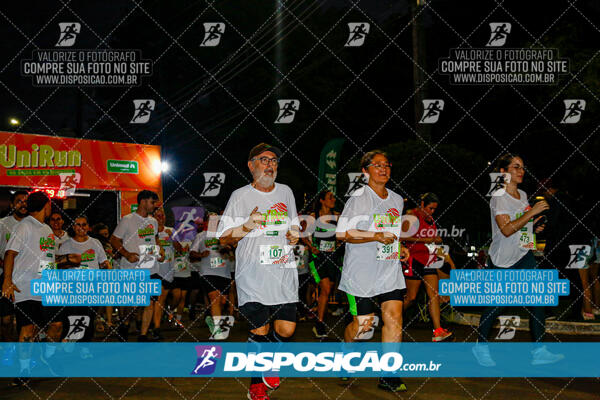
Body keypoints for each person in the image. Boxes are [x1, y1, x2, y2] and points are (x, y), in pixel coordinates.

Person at [217, 143, 300, 400]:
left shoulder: (286, 192)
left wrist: (294, 234)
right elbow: (223, 238)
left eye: (274, 160)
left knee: (287, 330)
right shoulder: (240, 196)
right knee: (259, 330)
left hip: (283, 271)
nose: (270, 165)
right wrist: (247, 225)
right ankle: (256, 384)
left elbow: (294, 224)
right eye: (264, 160)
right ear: (251, 165)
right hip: (252, 275)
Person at [472, 154, 562, 367]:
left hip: (523, 255)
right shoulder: (499, 197)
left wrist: (533, 229)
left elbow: (521, 226)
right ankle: (480, 346)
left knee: (539, 300)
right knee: (497, 305)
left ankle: (539, 351)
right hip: (503, 260)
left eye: (522, 167)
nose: (521, 171)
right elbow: (506, 230)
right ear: (503, 172)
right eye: (516, 167)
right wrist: (532, 213)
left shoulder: (522, 194)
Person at [335, 150, 410, 392]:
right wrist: (374, 236)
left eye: (386, 164)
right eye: (377, 165)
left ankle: (389, 374)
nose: (383, 169)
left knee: (394, 318)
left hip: (388, 268)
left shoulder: (397, 200)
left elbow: (392, 233)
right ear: (365, 171)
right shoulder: (359, 198)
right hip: (361, 272)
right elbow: (342, 233)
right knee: (364, 326)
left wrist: (400, 247)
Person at [1, 192, 80, 385]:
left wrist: (67, 259)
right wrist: (7, 281)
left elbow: (47, 259)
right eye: (50, 205)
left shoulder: (46, 230)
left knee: (57, 325)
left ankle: (48, 355)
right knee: (28, 329)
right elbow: (10, 254)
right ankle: (24, 369)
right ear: (46, 206)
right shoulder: (24, 226)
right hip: (26, 287)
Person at [110, 190, 164, 342]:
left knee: (150, 301)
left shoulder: (153, 221)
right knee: (132, 304)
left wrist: (160, 251)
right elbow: (114, 240)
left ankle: (143, 335)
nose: (154, 206)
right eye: (152, 202)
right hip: (132, 268)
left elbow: (155, 239)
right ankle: (125, 324)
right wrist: (127, 254)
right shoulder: (127, 220)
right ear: (143, 202)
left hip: (151, 267)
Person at [402, 193, 453, 342]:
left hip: (428, 259)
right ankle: (391, 314)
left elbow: (433, 239)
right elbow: (401, 237)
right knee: (411, 297)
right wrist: (424, 239)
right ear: (422, 204)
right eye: (430, 208)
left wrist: (437, 240)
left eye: (434, 209)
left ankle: (438, 331)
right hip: (413, 259)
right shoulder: (412, 216)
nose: (432, 212)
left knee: (434, 295)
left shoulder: (430, 219)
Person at [57, 215, 109, 356]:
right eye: (78, 224)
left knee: (89, 316)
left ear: (88, 226)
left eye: (84, 224)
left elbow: (104, 262)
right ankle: (71, 340)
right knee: (74, 314)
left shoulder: (95, 243)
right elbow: (59, 265)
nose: (81, 227)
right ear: (73, 227)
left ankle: (84, 347)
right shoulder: (66, 245)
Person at [190, 213, 232, 339]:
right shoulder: (201, 236)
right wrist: (200, 255)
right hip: (208, 272)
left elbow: (232, 248)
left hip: (224, 272)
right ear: (207, 222)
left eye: (216, 220)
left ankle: (211, 318)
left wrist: (228, 249)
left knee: (222, 301)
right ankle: (218, 331)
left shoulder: (223, 235)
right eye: (211, 220)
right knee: (215, 298)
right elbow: (192, 253)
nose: (214, 222)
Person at [306, 190, 340, 339]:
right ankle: (319, 323)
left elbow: (342, 235)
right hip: (317, 258)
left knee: (327, 290)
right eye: (330, 197)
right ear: (322, 200)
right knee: (325, 288)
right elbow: (303, 235)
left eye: (333, 197)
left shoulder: (337, 217)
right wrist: (310, 246)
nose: (333, 199)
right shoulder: (314, 217)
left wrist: (339, 243)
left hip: (332, 258)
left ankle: (319, 316)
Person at [0, 190, 28, 364]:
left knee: (27, 319)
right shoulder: (3, 224)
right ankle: (9, 349)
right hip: (6, 277)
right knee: (6, 319)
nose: (23, 204)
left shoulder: (34, 225)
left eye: (25, 201)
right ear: (12, 205)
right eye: (19, 201)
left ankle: (24, 354)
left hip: (27, 279)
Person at [153, 207, 178, 338]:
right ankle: (156, 328)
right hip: (155, 270)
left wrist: (173, 238)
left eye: (162, 215)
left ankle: (155, 323)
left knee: (162, 300)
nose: (161, 218)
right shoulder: (150, 232)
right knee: (158, 300)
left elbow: (180, 249)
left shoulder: (171, 231)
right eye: (158, 216)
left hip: (168, 271)